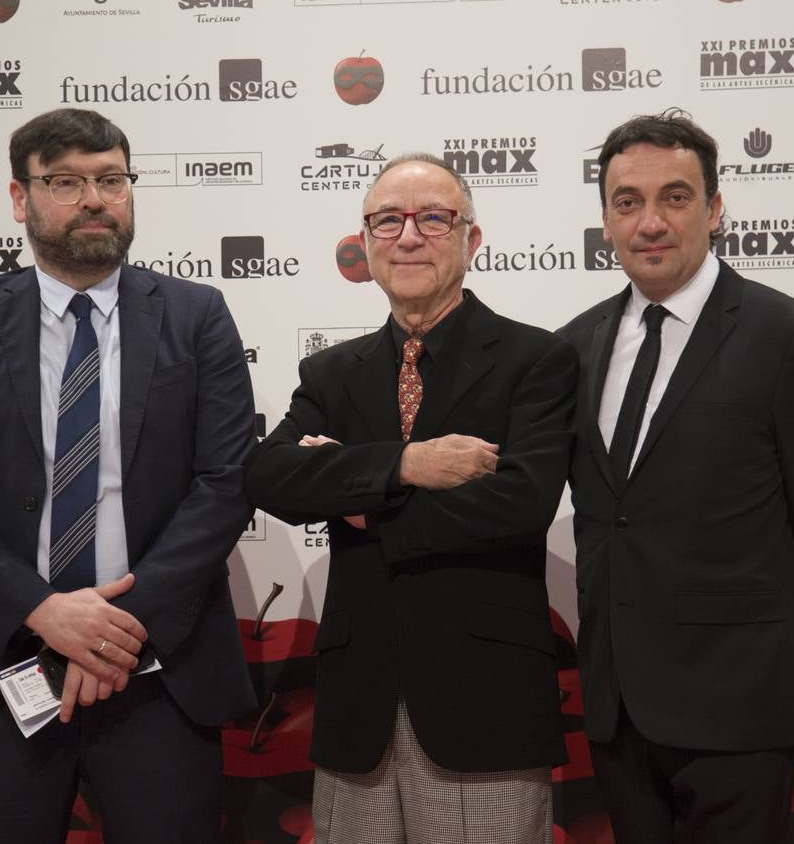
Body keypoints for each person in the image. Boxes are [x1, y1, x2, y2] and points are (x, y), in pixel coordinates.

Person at [0, 108, 257, 842]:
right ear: (18, 197)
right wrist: (46, 611)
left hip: (159, 670)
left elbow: (225, 484)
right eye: (65, 181)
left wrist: (114, 632)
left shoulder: (197, 316)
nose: (95, 199)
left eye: (111, 180)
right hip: (3, 668)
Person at [244, 153, 577, 843]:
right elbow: (270, 477)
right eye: (387, 220)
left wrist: (356, 495)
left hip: (484, 704)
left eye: (433, 217)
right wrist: (409, 465)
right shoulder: (333, 372)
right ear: (365, 243)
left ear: (470, 240)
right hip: (356, 708)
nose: (408, 235)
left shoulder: (536, 360)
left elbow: (517, 505)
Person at [559, 110, 794, 842]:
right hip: (619, 714)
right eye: (628, 201)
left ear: (716, 208)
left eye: (676, 196)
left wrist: (779, 679)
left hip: (741, 715)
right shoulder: (574, 346)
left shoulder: (786, 337)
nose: (650, 222)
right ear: (606, 220)